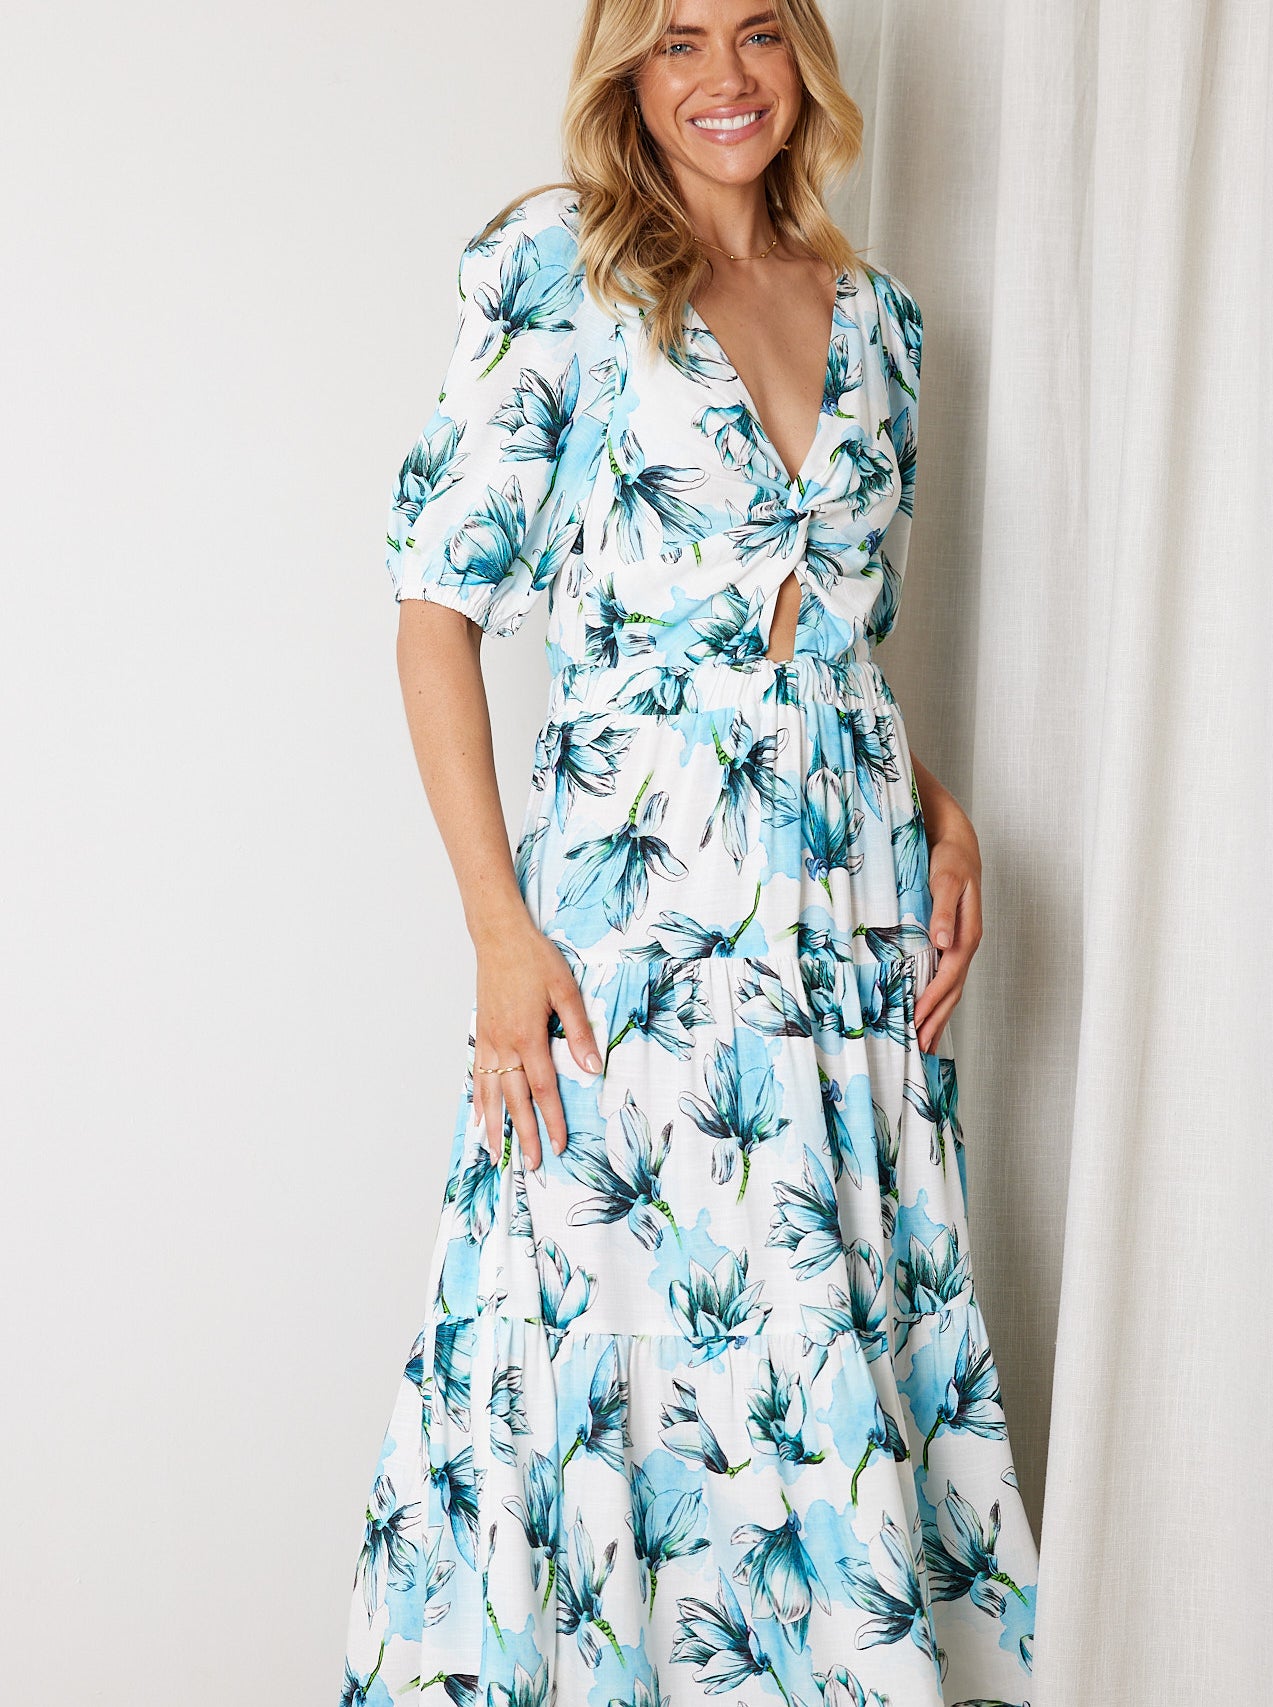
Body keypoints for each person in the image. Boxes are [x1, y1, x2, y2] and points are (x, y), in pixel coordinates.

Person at [338, 2, 1039, 1702]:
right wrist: (502, 933)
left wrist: (936, 803)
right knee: (620, 1343)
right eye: (672, 44)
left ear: (804, 59)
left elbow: (817, 644)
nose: (721, 80)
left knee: (825, 1338)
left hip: (845, 921)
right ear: (622, 78)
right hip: (634, 924)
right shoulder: (562, 270)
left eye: (753, 35)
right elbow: (435, 613)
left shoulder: (881, 323)